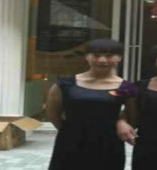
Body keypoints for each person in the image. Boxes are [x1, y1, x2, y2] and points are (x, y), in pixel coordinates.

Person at [47, 39, 135, 170]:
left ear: (119, 58)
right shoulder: (65, 84)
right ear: (86, 57)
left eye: (109, 56)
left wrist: (121, 121)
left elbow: (133, 115)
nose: (102, 60)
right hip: (70, 142)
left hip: (108, 144)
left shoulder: (126, 87)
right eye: (96, 55)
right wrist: (69, 131)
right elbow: (53, 115)